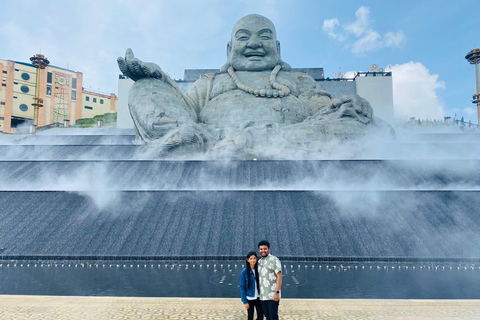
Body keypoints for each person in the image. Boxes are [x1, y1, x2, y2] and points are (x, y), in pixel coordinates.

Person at [118, 14, 389, 155]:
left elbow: (326, 110)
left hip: (289, 137)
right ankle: (204, 141)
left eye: (265, 37)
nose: (255, 44)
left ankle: (226, 144)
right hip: (205, 133)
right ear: (229, 48)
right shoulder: (212, 83)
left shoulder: (297, 80)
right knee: (142, 88)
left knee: (361, 121)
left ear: (278, 47)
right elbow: (183, 111)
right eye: (244, 37)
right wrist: (157, 79)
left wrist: (351, 107)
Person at [257, 240, 282, 320]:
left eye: (265, 249)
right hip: (263, 295)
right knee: (267, 316)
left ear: (269, 249)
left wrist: (277, 292)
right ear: (259, 250)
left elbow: (279, 276)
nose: (263, 251)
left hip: (272, 295)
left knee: (273, 317)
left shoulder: (274, 260)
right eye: (261, 249)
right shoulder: (259, 262)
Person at [239, 251, 263, 320]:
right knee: (250, 317)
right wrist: (244, 301)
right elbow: (242, 286)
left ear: (257, 259)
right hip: (250, 298)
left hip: (259, 297)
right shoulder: (244, 272)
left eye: (254, 258)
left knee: (260, 316)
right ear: (248, 260)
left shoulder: (259, 270)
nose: (253, 260)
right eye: (251, 258)